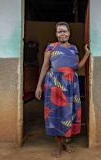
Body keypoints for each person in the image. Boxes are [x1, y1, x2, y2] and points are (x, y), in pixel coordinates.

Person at [35, 22, 90, 158]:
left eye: (64, 31)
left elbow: (77, 67)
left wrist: (87, 54)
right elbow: (45, 67)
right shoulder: (51, 47)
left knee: (68, 113)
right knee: (57, 114)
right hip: (54, 85)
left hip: (71, 85)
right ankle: (58, 145)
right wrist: (38, 86)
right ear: (56, 34)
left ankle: (64, 142)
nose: (62, 34)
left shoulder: (73, 48)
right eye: (59, 32)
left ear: (69, 33)